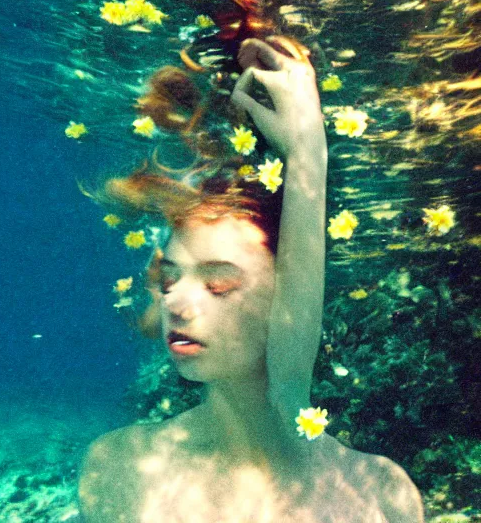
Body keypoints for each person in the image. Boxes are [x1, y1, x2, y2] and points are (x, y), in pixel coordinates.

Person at [78, 38, 424, 523]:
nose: (176, 302)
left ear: (290, 289)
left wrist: (308, 152)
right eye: (169, 278)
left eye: (218, 284)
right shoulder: (120, 470)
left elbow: (289, 376)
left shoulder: (383, 498)